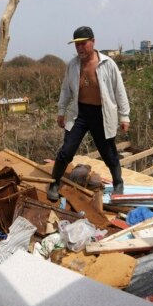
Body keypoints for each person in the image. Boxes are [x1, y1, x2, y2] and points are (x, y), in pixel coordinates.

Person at [47, 26, 130, 202]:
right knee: (66, 151)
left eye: (83, 44)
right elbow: (66, 90)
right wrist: (61, 112)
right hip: (79, 113)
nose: (79, 48)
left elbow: (119, 91)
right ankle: (54, 183)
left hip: (101, 113)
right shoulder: (73, 65)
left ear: (93, 42)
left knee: (109, 152)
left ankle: (118, 183)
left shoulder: (107, 64)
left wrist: (125, 116)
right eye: (77, 45)